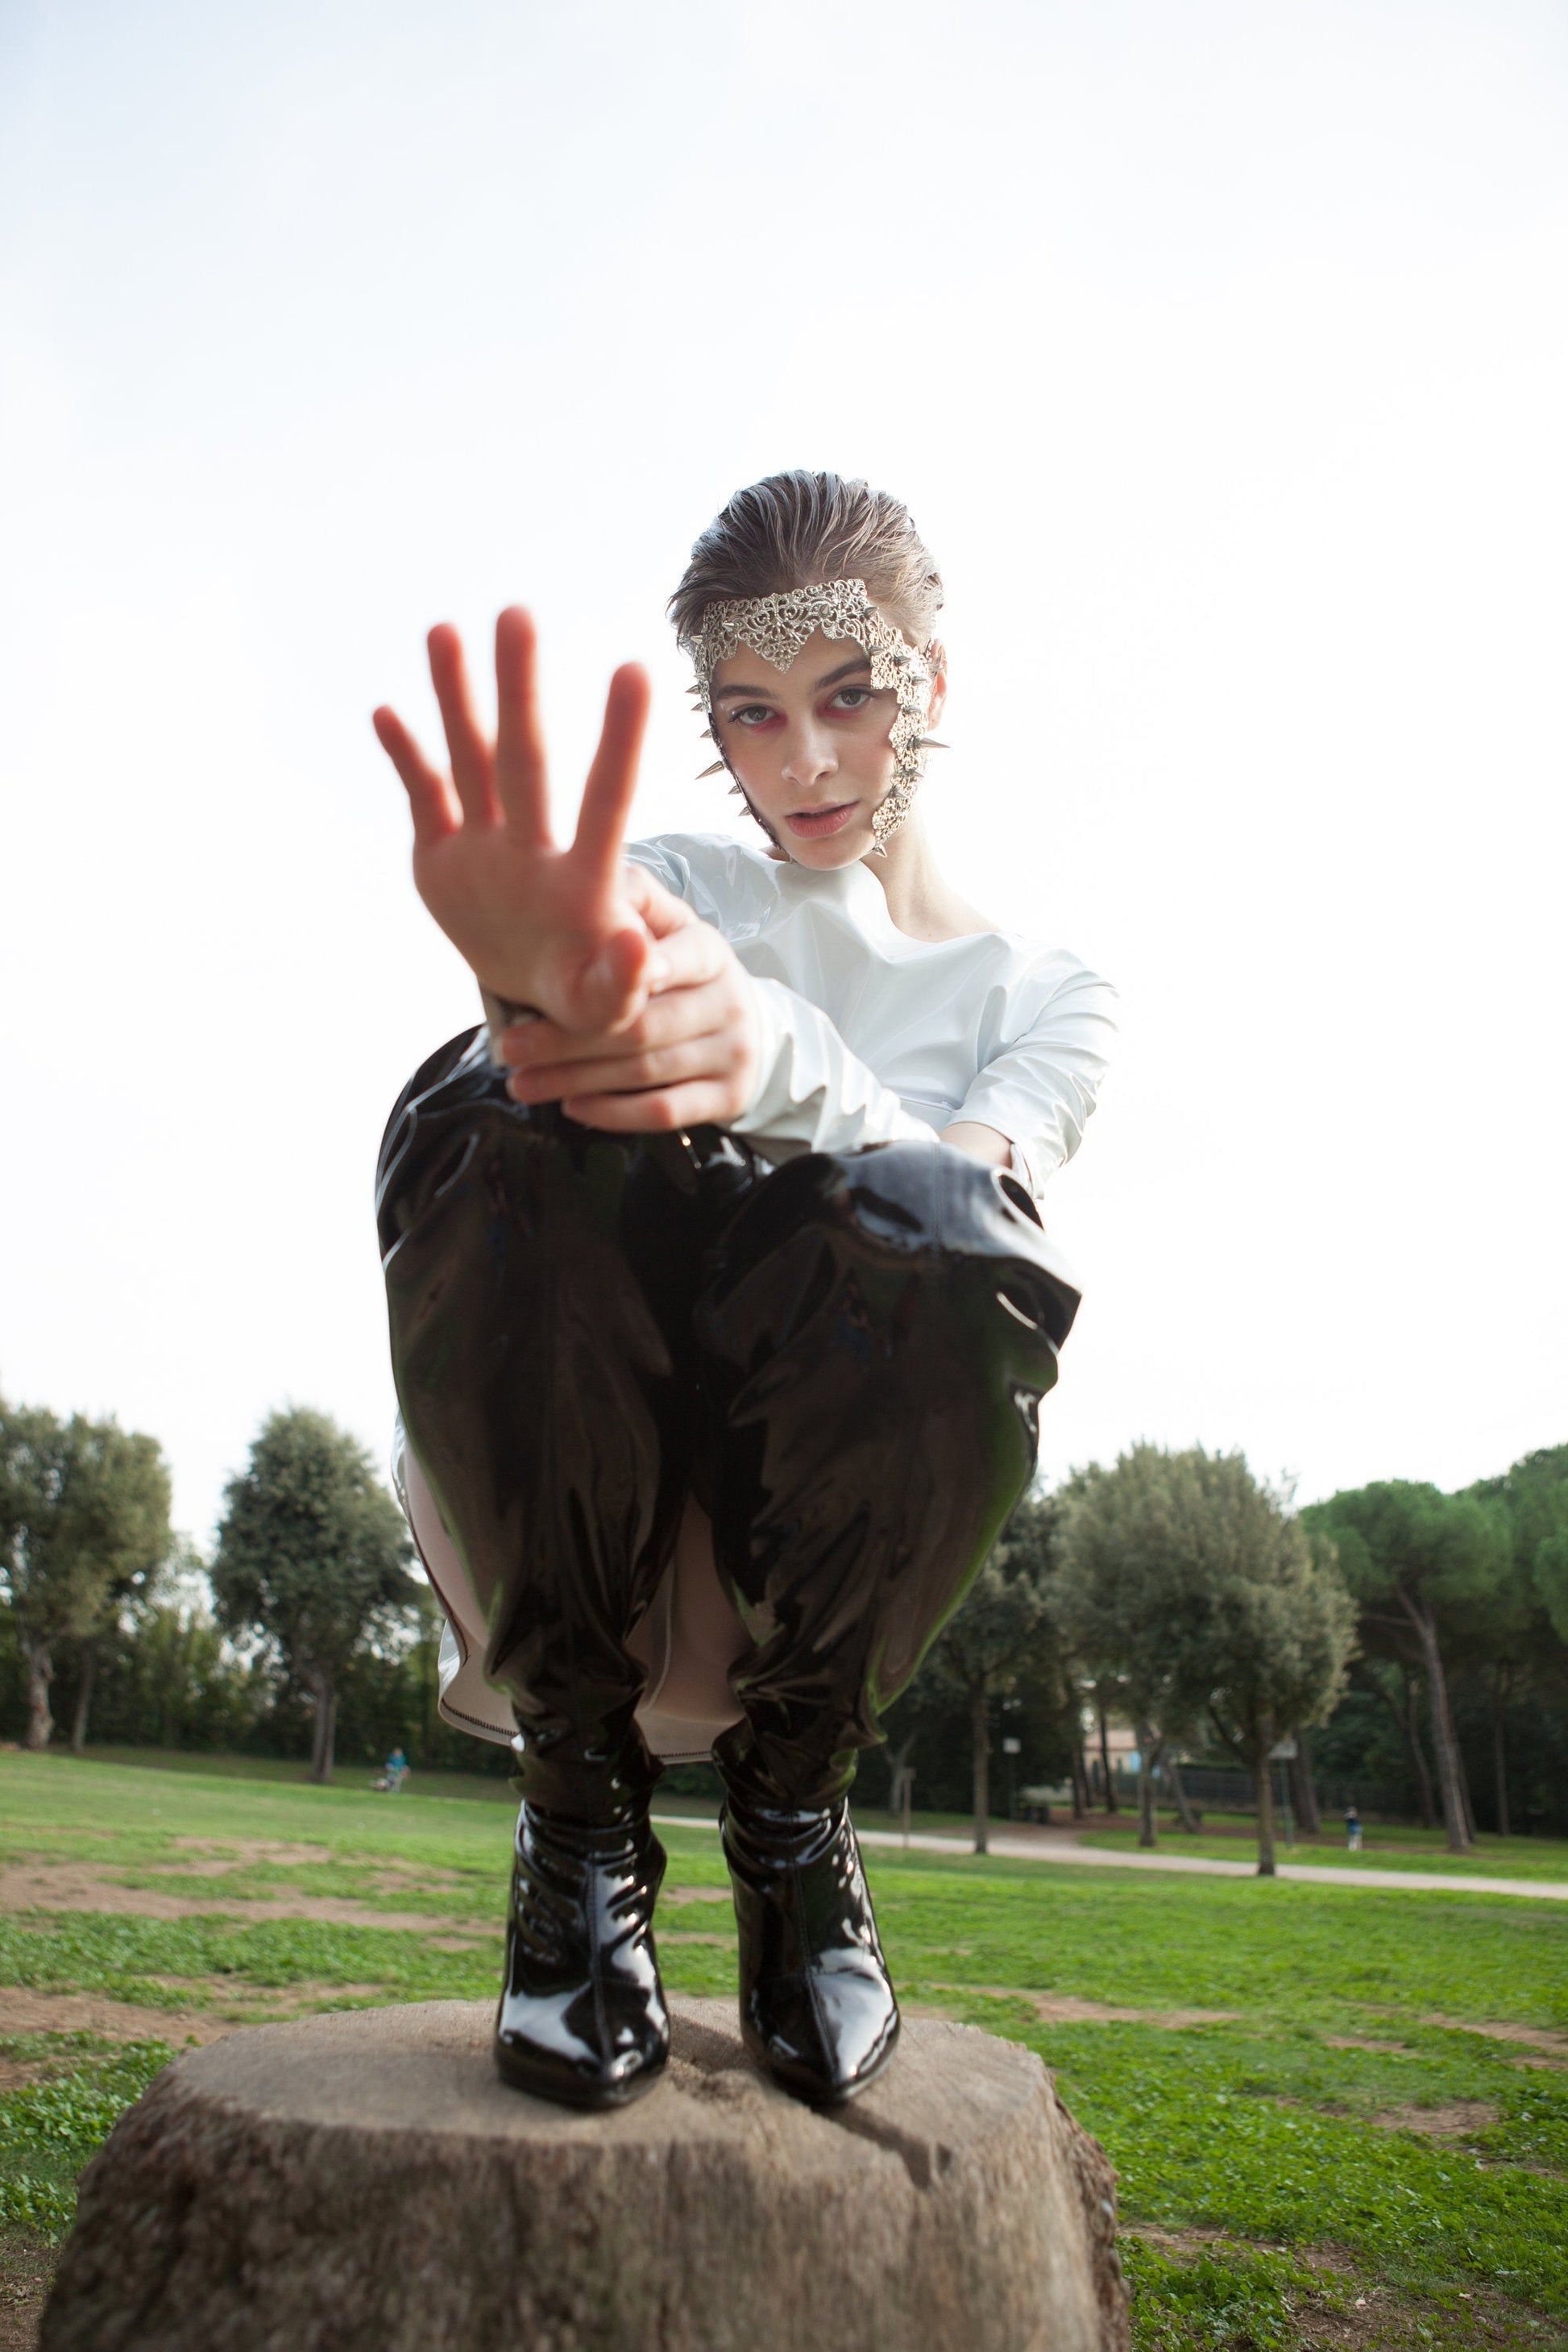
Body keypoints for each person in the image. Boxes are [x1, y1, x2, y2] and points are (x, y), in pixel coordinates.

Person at [372, 472, 1116, 2114]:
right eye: (752, 714)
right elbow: (585, 993)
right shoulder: (676, 879)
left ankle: (791, 1826)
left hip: (817, 1574)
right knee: (485, 1102)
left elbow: (970, 1215)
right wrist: (538, 991)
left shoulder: (1041, 996)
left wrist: (774, 1051)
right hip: (577, 1524)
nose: (807, 762)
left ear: (938, 676)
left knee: (940, 1220)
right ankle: (578, 1821)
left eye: (851, 695)